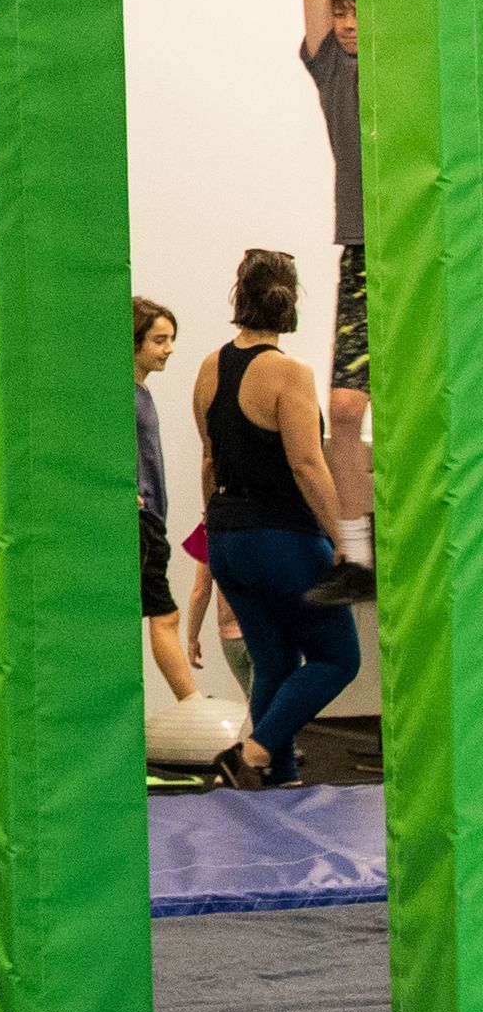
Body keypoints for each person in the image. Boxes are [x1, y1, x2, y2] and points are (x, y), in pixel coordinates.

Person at [193, 248, 351, 787]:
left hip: (229, 536)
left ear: (240, 295)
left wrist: (214, 533)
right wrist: (343, 538)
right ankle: (254, 749)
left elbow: (210, 459)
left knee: (275, 662)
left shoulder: (209, 367)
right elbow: (307, 464)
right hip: (280, 538)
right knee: (337, 659)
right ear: (291, 302)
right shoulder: (290, 373)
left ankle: (279, 783)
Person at [299, 0, 375, 603]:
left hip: (422, 243)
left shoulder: (408, 64)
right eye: (343, 12)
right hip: (363, 248)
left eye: (359, 13)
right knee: (344, 409)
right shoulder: (332, 69)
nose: (348, 22)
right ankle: (357, 554)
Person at [134, 296, 196, 704]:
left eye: (171, 339)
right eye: (159, 340)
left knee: (161, 614)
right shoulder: (124, 394)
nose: (169, 348)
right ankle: (191, 703)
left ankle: (190, 703)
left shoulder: (140, 394)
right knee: (165, 615)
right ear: (133, 341)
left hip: (151, 518)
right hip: (141, 521)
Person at [182, 521, 251, 702]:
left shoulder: (209, 526)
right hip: (267, 630)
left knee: (255, 706)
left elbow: (201, 591)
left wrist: (192, 638)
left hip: (231, 639)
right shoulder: (269, 516)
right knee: (267, 708)